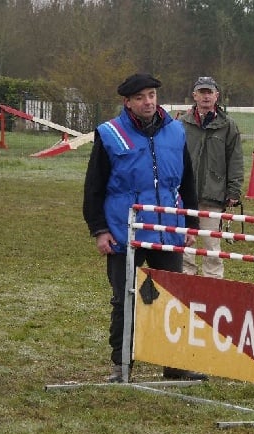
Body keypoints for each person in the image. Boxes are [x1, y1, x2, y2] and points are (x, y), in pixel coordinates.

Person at [83, 73, 207, 383]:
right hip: (124, 233)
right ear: (127, 102)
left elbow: (187, 180)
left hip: (168, 231)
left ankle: (175, 366)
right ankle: (121, 367)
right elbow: (94, 187)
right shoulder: (109, 134)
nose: (148, 102)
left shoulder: (176, 132)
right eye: (140, 97)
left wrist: (191, 221)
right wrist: (99, 229)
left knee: (173, 299)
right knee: (125, 300)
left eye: (151, 95)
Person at [179, 76, 244, 278]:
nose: (206, 96)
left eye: (210, 92)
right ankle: (185, 284)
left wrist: (234, 190)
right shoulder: (181, 124)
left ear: (217, 96)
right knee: (184, 247)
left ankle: (213, 286)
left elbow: (235, 159)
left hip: (213, 195)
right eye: (202, 92)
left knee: (212, 248)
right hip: (184, 195)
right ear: (194, 95)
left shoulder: (228, 126)